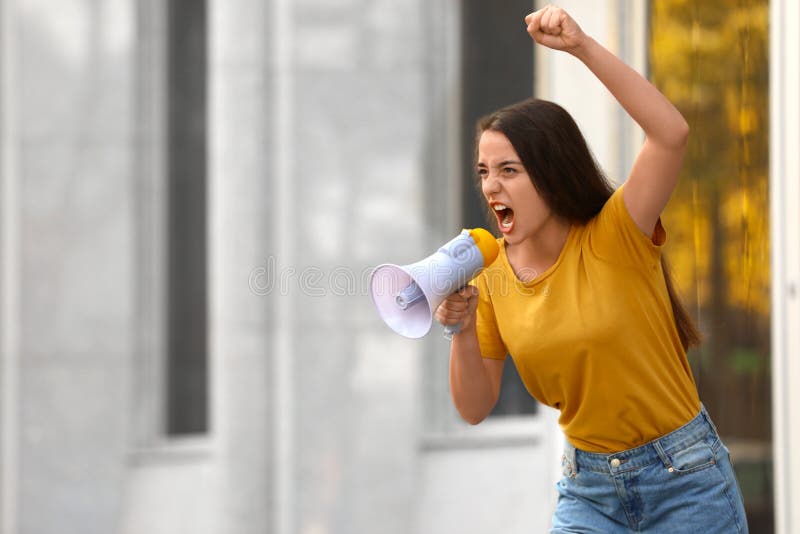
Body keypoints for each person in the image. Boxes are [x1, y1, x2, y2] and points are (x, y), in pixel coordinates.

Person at [434, 5, 748, 533]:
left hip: (686, 479)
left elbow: (670, 133)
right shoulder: (489, 280)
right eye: (485, 172)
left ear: (552, 174)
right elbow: (473, 408)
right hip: (589, 489)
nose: (491, 187)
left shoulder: (617, 232)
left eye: (509, 170)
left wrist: (581, 46)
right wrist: (460, 328)